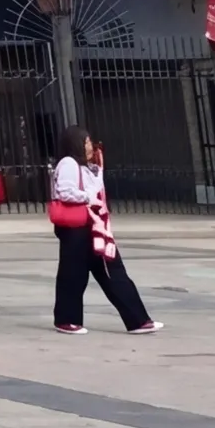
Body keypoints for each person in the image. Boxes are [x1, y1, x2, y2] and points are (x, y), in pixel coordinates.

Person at [50, 126, 160, 335]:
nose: (90, 145)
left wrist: (97, 169)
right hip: (78, 227)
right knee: (74, 273)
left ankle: (138, 320)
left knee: (111, 270)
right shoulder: (68, 163)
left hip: (94, 225)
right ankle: (67, 320)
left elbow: (96, 189)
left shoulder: (88, 166)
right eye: (86, 141)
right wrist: (88, 197)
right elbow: (65, 192)